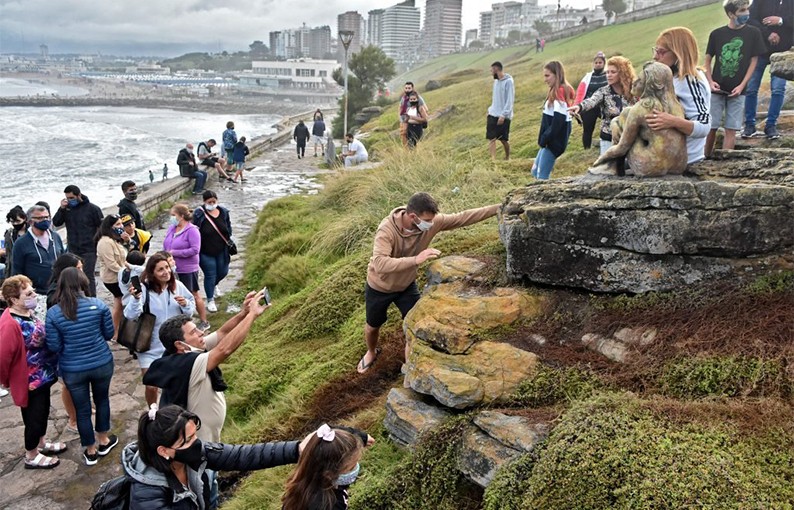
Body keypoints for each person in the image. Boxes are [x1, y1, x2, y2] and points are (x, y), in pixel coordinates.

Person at [357, 192, 500, 373]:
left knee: (416, 323)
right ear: (412, 216)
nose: (431, 224)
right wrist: (416, 259)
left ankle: (410, 369)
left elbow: (463, 217)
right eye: (427, 220)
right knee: (372, 326)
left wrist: (497, 208)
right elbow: (379, 263)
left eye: (432, 220)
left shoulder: (429, 223)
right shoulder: (387, 230)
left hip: (407, 286)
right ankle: (371, 351)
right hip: (379, 287)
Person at [121, 404, 312, 509]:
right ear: (164, 451)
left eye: (195, 435)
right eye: (186, 441)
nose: (196, 444)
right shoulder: (146, 495)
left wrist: (297, 449)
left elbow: (242, 456)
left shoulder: (193, 454)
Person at [143, 289, 269, 442]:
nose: (201, 333)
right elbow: (225, 349)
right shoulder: (188, 363)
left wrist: (244, 312)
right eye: (193, 332)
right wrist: (252, 315)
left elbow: (222, 333)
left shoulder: (186, 350)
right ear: (180, 345)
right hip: (200, 441)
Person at [45, 268, 118, 466]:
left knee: (82, 409)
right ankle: (103, 439)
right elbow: (108, 334)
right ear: (83, 282)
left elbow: (54, 346)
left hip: (73, 368)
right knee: (102, 400)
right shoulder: (98, 304)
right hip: (101, 362)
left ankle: (90, 450)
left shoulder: (53, 313)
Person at [0, 275, 63, 469]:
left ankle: (41, 443)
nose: (34, 294)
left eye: (33, 290)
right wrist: (5, 380)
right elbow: (3, 356)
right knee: (34, 417)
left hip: (43, 375)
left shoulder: (27, 312)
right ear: (14, 299)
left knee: (43, 412)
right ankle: (31, 454)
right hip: (29, 379)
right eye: (28, 293)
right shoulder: (10, 323)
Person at [124, 252, 196, 407]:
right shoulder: (143, 289)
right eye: (161, 270)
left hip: (173, 346)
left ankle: (173, 411)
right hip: (149, 345)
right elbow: (130, 314)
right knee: (151, 384)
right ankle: (153, 411)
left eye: (167, 268)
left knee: (174, 383)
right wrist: (136, 299)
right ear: (152, 273)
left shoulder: (178, 286)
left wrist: (185, 305)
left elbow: (190, 310)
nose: (166, 272)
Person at [705, 0, 766, 156]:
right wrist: (710, 82)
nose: (747, 13)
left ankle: (726, 161)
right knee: (710, 127)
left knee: (731, 128)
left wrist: (742, 85)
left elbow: (754, 60)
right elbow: (707, 59)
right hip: (717, 89)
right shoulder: (717, 34)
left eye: (747, 9)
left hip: (738, 90)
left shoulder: (753, 33)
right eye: (742, 10)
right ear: (731, 14)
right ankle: (704, 158)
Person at [648, 27, 712, 164]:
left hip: (685, 159)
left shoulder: (689, 80)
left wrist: (672, 121)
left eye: (661, 52)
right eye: (655, 50)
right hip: (667, 156)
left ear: (678, 53)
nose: (655, 56)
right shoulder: (673, 78)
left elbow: (704, 125)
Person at [282, 424, 375, 510]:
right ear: (329, 474)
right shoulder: (330, 505)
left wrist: (362, 437)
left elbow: (329, 431)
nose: (356, 469)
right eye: (351, 468)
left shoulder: (308, 481)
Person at [743, 0, 793, 139]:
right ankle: (749, 125)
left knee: (778, 89)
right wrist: (768, 34)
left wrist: (781, 21)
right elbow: (750, 19)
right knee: (751, 88)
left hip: (783, 52)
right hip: (760, 50)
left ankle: (771, 125)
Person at [44, 253, 83, 432]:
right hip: (66, 347)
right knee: (68, 384)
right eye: (78, 269)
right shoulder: (55, 293)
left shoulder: (76, 287)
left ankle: (82, 407)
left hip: (79, 344)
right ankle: (73, 419)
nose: (81, 272)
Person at [570, 56, 637, 154]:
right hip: (608, 140)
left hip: (631, 139)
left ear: (623, 73)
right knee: (608, 168)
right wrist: (579, 106)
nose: (608, 75)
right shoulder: (603, 92)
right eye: (607, 72)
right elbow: (592, 101)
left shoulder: (634, 91)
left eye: (613, 72)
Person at [52, 184, 103, 296]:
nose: (70, 200)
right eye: (67, 198)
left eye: (72, 198)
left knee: (88, 275)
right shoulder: (67, 209)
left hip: (89, 249)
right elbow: (56, 222)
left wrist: (97, 243)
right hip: (73, 249)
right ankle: (76, 297)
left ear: (78, 195)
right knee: (73, 275)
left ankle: (91, 298)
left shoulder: (92, 209)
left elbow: (102, 227)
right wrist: (61, 209)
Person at [164, 204, 209, 331]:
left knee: (192, 293)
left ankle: (204, 321)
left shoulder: (192, 230)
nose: (171, 218)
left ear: (181, 216)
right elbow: (167, 245)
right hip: (172, 267)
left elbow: (195, 250)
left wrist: (175, 253)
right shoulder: (172, 229)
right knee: (175, 293)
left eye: (174, 215)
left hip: (187, 268)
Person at [531, 61, 575, 180]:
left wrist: (545, 137)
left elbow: (559, 121)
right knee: (535, 171)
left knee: (542, 176)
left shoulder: (560, 92)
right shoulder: (555, 91)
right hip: (548, 142)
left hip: (553, 143)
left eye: (547, 76)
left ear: (557, 75)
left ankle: (543, 197)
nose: (545, 79)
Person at [192, 191, 233, 313]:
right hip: (205, 251)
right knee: (210, 274)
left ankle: (214, 285)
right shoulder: (199, 214)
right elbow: (194, 230)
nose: (212, 204)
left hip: (221, 249)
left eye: (214, 202)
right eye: (209, 202)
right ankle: (210, 300)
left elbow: (228, 228)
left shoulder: (224, 212)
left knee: (223, 271)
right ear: (204, 202)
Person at [10, 204, 65, 294]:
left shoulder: (55, 237)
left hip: (58, 290)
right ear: (30, 221)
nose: (45, 220)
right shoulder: (21, 243)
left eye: (47, 217)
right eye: (40, 218)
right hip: (36, 292)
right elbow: (17, 271)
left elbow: (64, 260)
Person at [96, 214, 130, 339]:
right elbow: (111, 264)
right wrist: (125, 271)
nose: (121, 227)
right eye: (117, 224)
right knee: (119, 301)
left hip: (120, 275)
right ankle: (115, 331)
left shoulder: (116, 239)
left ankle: (118, 330)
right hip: (112, 278)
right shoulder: (105, 242)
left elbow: (125, 255)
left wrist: (127, 241)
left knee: (120, 302)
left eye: (121, 224)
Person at [574, 52, 609, 150]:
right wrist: (577, 105)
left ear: (604, 63)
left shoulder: (608, 75)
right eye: (596, 62)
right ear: (593, 64)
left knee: (609, 125)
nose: (598, 64)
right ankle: (587, 149)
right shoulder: (588, 77)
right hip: (589, 106)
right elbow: (580, 92)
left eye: (600, 62)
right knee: (588, 129)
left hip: (605, 105)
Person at [486, 61, 515, 160]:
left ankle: (507, 157)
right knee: (491, 139)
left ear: (496, 69)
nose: (491, 73)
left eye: (491, 70)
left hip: (504, 116)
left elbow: (509, 100)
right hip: (493, 113)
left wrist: (503, 115)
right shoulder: (496, 82)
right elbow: (495, 98)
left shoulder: (509, 82)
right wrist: (490, 110)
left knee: (503, 139)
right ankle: (493, 160)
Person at [399, 82, 427, 148]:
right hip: (406, 123)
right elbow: (400, 108)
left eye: (409, 88)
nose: (407, 90)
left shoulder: (419, 100)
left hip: (417, 125)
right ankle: (408, 155)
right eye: (406, 88)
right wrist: (402, 120)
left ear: (412, 88)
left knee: (413, 142)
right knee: (406, 140)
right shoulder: (404, 98)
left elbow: (425, 112)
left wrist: (414, 118)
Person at [4, 206, 28, 279]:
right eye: (12, 222)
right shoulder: (9, 234)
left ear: (24, 218)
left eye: (18, 221)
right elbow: (8, 254)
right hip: (14, 267)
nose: (15, 224)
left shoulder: (32, 232)